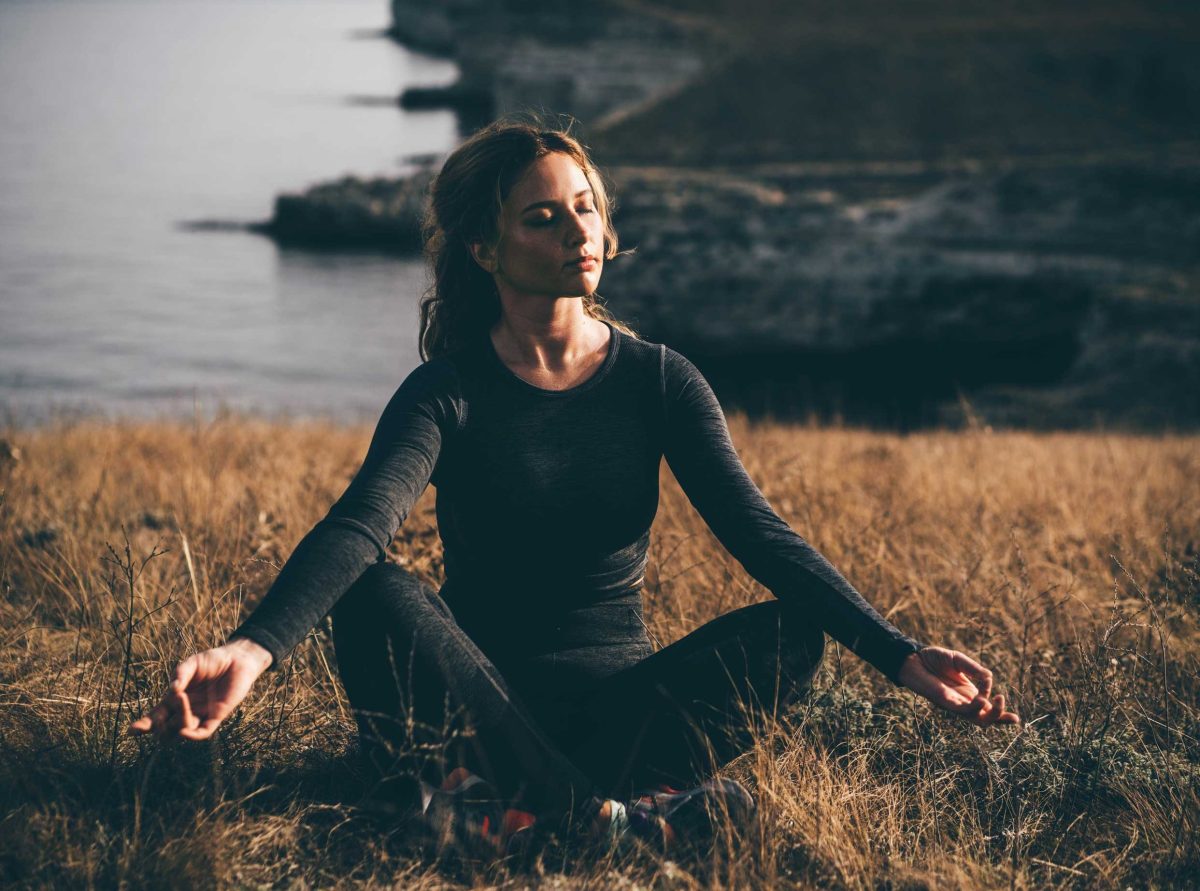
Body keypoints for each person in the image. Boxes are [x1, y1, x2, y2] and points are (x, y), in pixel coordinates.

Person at [130, 117, 1020, 856]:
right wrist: (252, 647)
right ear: (484, 246)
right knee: (373, 589)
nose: (577, 233)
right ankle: (610, 817)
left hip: (621, 710)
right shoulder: (447, 391)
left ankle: (506, 813)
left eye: (586, 211)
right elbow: (361, 524)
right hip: (472, 700)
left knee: (794, 631)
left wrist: (900, 653)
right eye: (544, 218)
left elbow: (761, 535)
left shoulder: (660, 380)